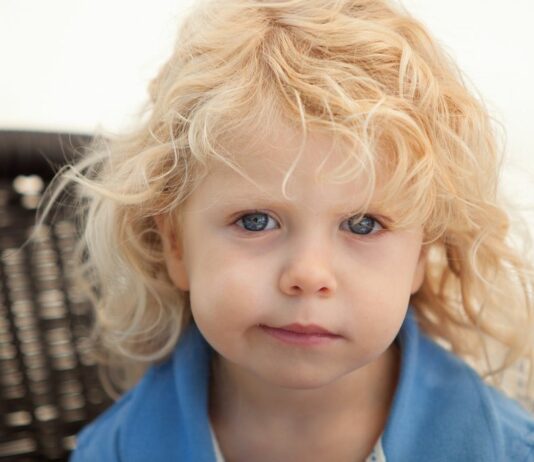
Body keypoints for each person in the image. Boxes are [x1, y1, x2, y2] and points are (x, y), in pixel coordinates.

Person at [42, 0, 534, 460]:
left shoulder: (505, 449)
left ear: (421, 254)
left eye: (363, 224)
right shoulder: (117, 450)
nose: (308, 274)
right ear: (175, 245)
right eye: (256, 221)